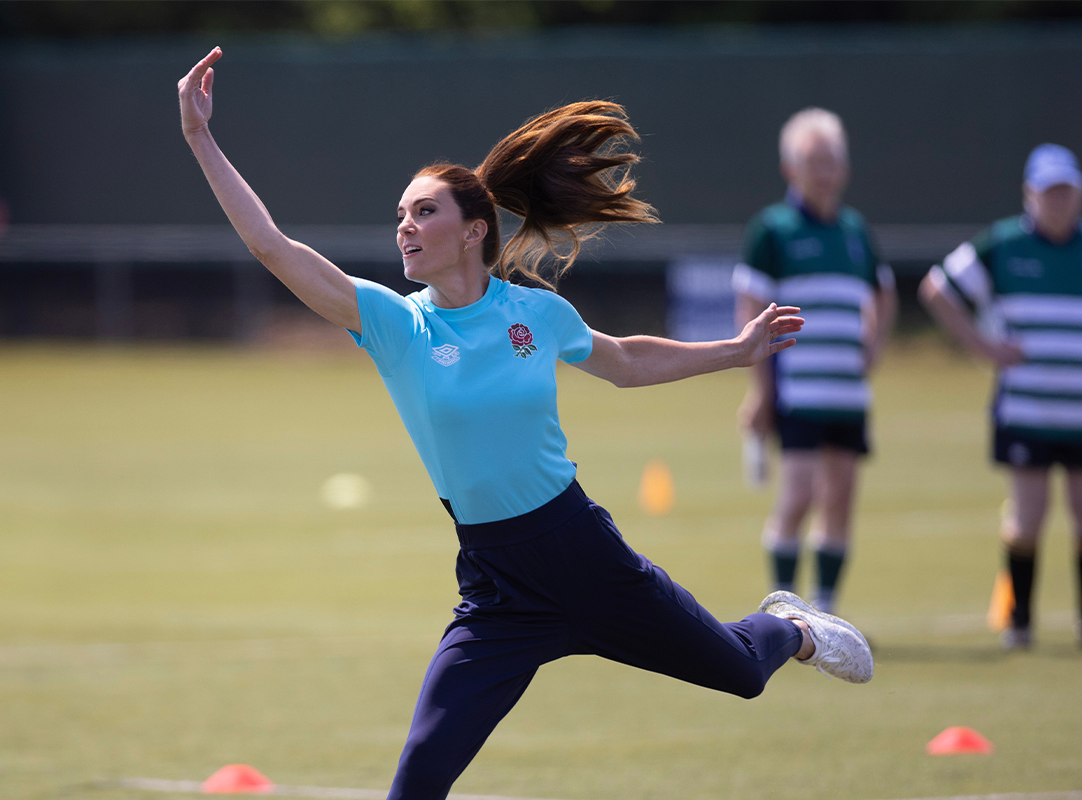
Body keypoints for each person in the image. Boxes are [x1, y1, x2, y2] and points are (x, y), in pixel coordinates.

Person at [178, 48, 873, 800]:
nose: (405, 228)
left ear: (474, 230)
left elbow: (625, 362)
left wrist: (735, 352)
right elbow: (270, 247)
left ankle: (793, 627)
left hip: (585, 556)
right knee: (417, 782)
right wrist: (200, 138)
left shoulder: (534, 313)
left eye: (425, 211)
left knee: (742, 674)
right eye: (401, 216)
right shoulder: (393, 324)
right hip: (498, 588)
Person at [733, 108, 897, 615]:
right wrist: (760, 388)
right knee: (798, 494)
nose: (823, 171)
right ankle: (784, 608)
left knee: (841, 497)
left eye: (831, 161)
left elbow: (884, 290)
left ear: (844, 168)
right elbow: (749, 307)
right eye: (812, 161)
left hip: (847, 390)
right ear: (791, 169)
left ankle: (825, 611)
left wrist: (876, 341)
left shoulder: (854, 230)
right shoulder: (772, 230)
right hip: (798, 388)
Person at [920, 143, 1082, 651]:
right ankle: (1021, 623)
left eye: (1067, 192)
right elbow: (936, 289)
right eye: (1049, 192)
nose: (1058, 202)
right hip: (1027, 410)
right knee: (1027, 519)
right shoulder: (1005, 244)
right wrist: (981, 345)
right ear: (1030, 195)